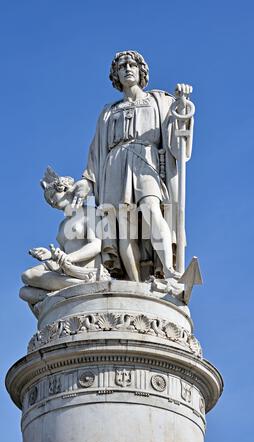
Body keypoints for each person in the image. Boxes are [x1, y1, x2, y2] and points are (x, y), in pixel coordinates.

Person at [72, 51, 193, 284]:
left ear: (141, 71)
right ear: (115, 75)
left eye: (132, 64)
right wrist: (86, 181)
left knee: (151, 209)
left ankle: (168, 270)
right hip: (114, 164)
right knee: (122, 227)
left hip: (145, 158)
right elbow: (97, 149)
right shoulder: (108, 112)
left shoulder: (159, 101)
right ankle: (134, 282)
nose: (127, 68)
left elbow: (177, 138)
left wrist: (183, 105)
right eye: (122, 66)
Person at [20, 167, 109, 308]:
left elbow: (96, 245)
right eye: (48, 201)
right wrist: (51, 255)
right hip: (65, 269)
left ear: (64, 189)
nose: (51, 203)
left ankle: (83, 284)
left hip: (83, 268)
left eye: (51, 196)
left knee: (28, 279)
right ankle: (70, 291)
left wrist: (69, 258)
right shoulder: (62, 225)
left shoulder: (90, 212)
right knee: (25, 288)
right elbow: (62, 253)